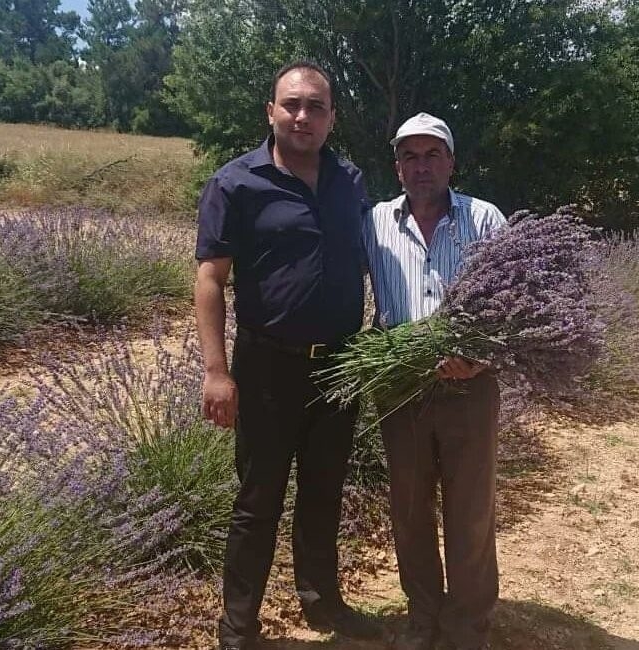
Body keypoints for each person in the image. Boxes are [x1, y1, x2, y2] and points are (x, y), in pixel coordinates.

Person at [194, 61, 383, 650]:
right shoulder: (235, 183)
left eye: (316, 107)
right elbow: (210, 280)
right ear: (271, 111)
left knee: (325, 490)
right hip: (267, 365)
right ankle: (239, 626)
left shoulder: (349, 181)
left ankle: (322, 604)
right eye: (292, 104)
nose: (303, 116)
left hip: (339, 364)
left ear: (332, 118)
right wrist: (216, 371)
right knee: (258, 499)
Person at [362, 112, 507, 650]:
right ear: (397, 166)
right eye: (409, 156)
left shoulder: (484, 218)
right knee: (409, 506)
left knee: (470, 510)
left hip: (470, 386)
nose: (420, 166)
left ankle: (467, 626)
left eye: (431, 155)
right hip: (399, 386)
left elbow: (513, 305)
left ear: (451, 161)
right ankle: (423, 616)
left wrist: (479, 356)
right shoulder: (374, 220)